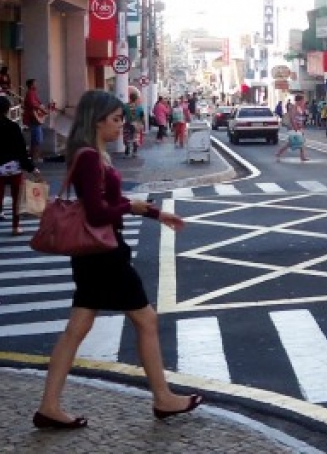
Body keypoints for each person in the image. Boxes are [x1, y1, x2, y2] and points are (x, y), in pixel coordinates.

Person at [34, 90, 199, 429]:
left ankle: (49, 405)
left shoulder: (90, 154)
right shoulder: (90, 158)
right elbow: (97, 213)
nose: (122, 125)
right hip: (105, 253)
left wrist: (154, 213)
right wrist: (134, 207)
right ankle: (163, 397)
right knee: (145, 319)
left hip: (92, 254)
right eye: (116, 119)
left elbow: (108, 200)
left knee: (78, 328)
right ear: (97, 120)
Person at [0, 96, 41, 239]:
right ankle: (15, 226)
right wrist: (31, 168)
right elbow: (21, 151)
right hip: (13, 167)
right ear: (8, 109)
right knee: (16, 198)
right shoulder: (13, 127)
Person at [275, 94, 309, 162]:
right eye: (303, 100)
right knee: (297, 142)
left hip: (298, 127)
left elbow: (300, 117)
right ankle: (302, 156)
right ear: (299, 100)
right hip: (294, 127)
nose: (303, 101)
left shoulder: (299, 107)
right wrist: (295, 127)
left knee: (297, 142)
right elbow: (292, 118)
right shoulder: (294, 107)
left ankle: (302, 156)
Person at [24, 78, 48, 163]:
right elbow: (32, 104)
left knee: (37, 138)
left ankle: (35, 156)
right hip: (32, 118)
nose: (36, 85)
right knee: (37, 138)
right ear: (31, 85)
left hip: (35, 118)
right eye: (35, 83)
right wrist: (42, 109)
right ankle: (34, 157)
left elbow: (38, 103)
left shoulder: (33, 93)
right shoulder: (30, 93)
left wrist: (44, 108)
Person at [123, 91, 145, 157]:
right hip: (137, 124)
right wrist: (143, 124)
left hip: (128, 124)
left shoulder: (125, 106)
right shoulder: (139, 107)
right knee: (135, 138)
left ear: (129, 98)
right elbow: (142, 117)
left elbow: (122, 115)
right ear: (136, 98)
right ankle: (134, 153)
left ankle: (127, 152)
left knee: (127, 138)